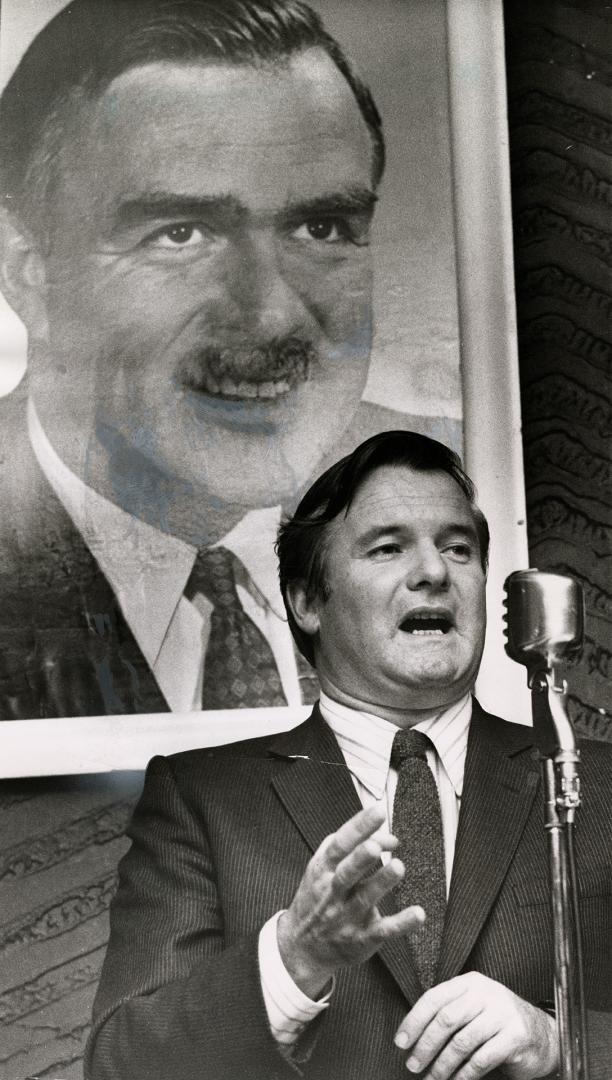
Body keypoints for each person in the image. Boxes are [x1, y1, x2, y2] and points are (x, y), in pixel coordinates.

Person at [86, 430, 612, 1079]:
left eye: (459, 547)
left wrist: (559, 1041)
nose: (434, 572)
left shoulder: (595, 784)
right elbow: (122, 1065)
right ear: (307, 601)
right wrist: (291, 959)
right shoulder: (200, 797)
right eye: (388, 548)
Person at [0, 0, 438, 719]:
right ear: (27, 271)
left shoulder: (471, 485)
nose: (270, 315)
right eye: (181, 233)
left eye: (320, 226)